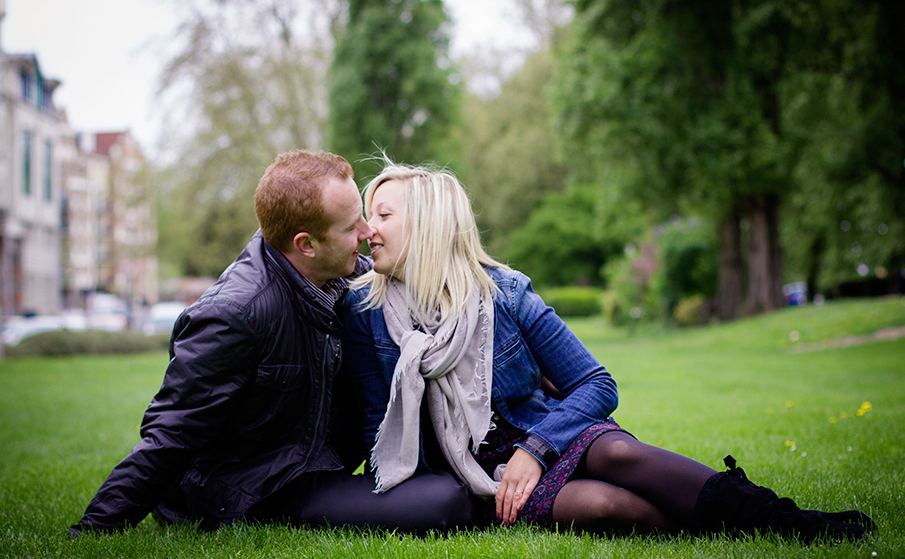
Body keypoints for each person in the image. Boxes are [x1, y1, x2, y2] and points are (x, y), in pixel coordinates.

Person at [340, 161, 876, 543]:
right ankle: (727, 527)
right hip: (477, 477)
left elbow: (597, 384)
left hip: (546, 438)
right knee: (604, 506)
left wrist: (536, 450)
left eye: (382, 216)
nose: (367, 231)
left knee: (618, 454)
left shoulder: (504, 291)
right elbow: (376, 431)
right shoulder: (365, 314)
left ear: (429, 224)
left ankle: (791, 523)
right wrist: (465, 486)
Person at [69, 150, 474, 537]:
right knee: (444, 501)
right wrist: (93, 530)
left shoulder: (349, 275)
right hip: (251, 490)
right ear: (306, 244)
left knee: (451, 477)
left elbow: (450, 287)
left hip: (315, 466)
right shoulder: (234, 315)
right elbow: (170, 436)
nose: (368, 233)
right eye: (352, 227)